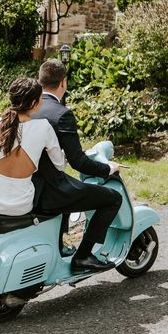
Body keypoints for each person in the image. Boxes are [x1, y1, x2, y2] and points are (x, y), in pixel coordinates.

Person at [32, 59, 123, 272]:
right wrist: (108, 168)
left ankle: (62, 247)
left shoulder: (28, 109)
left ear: (40, 80)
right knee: (112, 198)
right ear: (63, 83)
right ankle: (83, 256)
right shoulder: (61, 114)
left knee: (71, 189)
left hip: (28, 187)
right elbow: (79, 162)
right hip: (51, 191)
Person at [0, 77, 66, 231]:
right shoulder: (44, 127)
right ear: (34, 103)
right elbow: (60, 165)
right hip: (21, 205)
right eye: (41, 99)